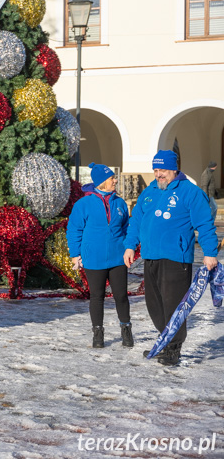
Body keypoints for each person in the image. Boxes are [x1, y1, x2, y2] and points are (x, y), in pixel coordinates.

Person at [123, 150, 219, 366]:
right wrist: (130, 246)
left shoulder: (190, 193)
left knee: (174, 305)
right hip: (150, 257)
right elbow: (136, 221)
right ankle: (165, 341)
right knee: (154, 305)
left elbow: (204, 224)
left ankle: (173, 349)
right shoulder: (149, 192)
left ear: (174, 169)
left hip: (176, 259)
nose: (159, 175)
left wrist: (210, 253)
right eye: (156, 170)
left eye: (163, 170)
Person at [67, 163, 132, 349]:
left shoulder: (119, 203)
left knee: (121, 296)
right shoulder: (83, 204)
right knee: (97, 296)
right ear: (102, 182)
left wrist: (129, 248)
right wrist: (75, 254)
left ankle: (126, 329)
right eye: (112, 178)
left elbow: (126, 228)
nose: (115, 180)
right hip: (93, 259)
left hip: (118, 258)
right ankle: (98, 333)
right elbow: (74, 230)